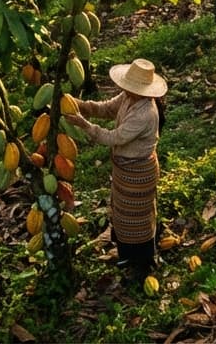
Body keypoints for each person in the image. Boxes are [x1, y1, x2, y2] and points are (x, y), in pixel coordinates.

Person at [67, 58, 167, 284]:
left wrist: (84, 125)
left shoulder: (146, 113)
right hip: (124, 169)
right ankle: (128, 256)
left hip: (139, 172)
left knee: (138, 218)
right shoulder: (129, 97)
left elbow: (114, 137)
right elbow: (106, 109)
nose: (124, 90)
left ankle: (143, 264)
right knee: (122, 215)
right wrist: (79, 104)